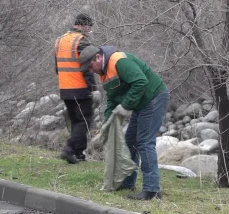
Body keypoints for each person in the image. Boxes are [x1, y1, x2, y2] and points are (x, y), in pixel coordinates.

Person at [78, 45, 169, 200]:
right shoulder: (104, 73)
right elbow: (112, 99)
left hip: (153, 98)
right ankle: (127, 183)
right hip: (140, 103)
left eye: (91, 66)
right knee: (130, 142)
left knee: (144, 142)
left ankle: (151, 189)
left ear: (98, 58)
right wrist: (108, 124)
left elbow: (141, 82)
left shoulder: (120, 61)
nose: (90, 70)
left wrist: (126, 106)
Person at [55, 13, 100, 164]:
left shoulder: (59, 40)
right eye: (89, 27)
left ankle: (79, 153)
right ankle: (69, 149)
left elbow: (57, 67)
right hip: (80, 88)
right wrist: (93, 88)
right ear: (84, 25)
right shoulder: (81, 41)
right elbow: (88, 67)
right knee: (84, 121)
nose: (89, 31)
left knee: (76, 121)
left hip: (65, 88)